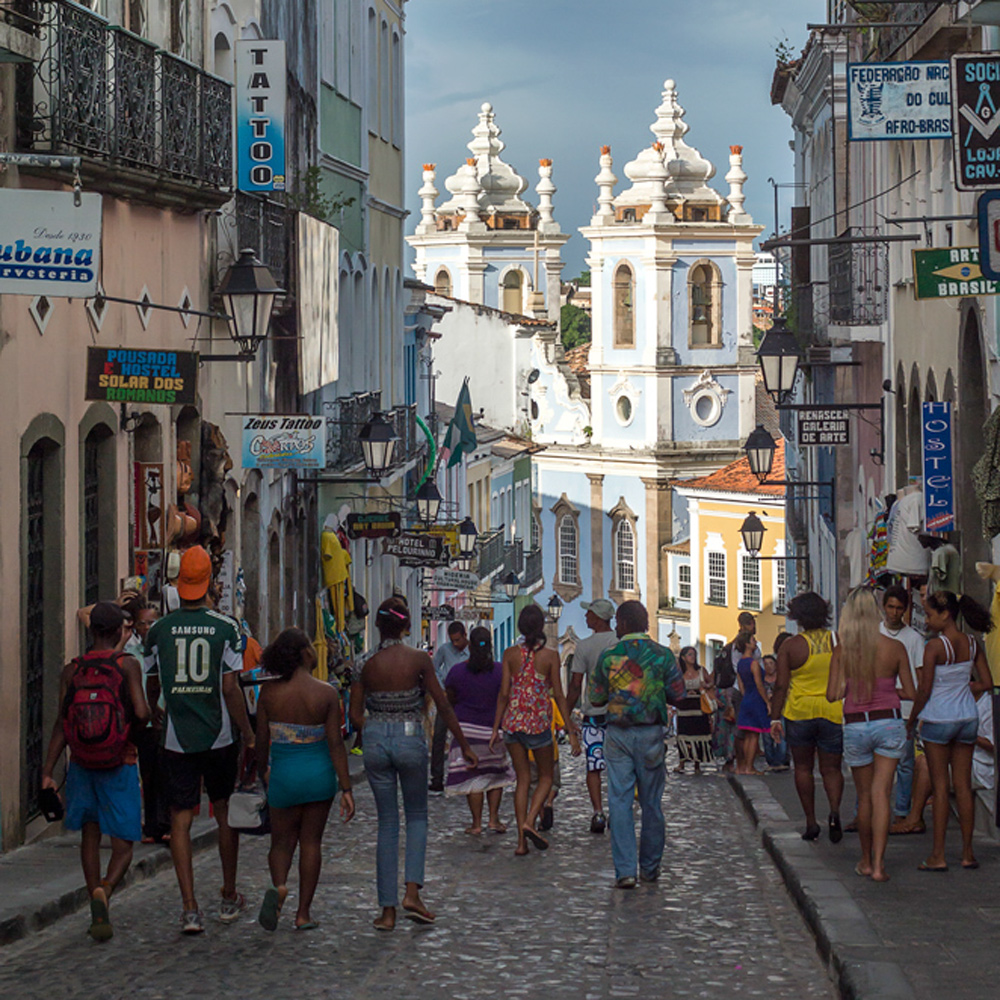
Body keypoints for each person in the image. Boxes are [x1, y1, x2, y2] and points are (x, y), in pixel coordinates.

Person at [143, 545, 256, 934]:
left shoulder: (158, 629)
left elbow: (151, 679)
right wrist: (248, 731)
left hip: (176, 737)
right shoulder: (228, 629)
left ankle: (189, 907)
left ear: (179, 583)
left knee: (180, 818)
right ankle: (227, 895)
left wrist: (156, 708)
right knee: (224, 813)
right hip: (219, 734)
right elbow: (230, 688)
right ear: (211, 582)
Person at [349, 597, 477, 930]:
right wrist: (463, 745)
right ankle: (412, 892)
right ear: (407, 626)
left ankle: (387, 912)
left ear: (376, 626)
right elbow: (444, 705)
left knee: (387, 824)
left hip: (375, 740)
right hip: (410, 740)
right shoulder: (419, 659)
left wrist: (378, 726)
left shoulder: (363, 663)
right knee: (417, 816)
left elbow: (353, 715)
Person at [41, 602, 150, 941]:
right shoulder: (127, 665)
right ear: (120, 632)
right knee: (124, 844)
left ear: (91, 631)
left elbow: (61, 723)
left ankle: (93, 900)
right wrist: (130, 734)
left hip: (82, 764)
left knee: (90, 834)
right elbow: (143, 712)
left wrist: (47, 771)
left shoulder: (72, 670)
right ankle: (106, 889)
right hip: (120, 762)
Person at [254, 628, 354, 931]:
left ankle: (280, 886)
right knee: (311, 843)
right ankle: (303, 914)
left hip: (283, 774)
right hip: (318, 775)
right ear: (304, 653)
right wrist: (346, 788)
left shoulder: (269, 693)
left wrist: (263, 774)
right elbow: (336, 744)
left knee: (281, 844)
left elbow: (261, 742)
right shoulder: (326, 693)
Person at [590, 600, 684, 888]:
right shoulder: (663, 655)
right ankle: (650, 867)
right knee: (651, 803)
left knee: (619, 802)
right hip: (651, 734)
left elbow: (596, 698)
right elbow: (678, 695)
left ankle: (626, 871)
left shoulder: (609, 657)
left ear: (625, 623)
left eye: (618, 622)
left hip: (618, 735)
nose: (616, 627)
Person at [826, 588, 916, 882]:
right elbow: (911, 692)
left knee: (864, 796)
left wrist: (851, 688)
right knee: (882, 794)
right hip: (888, 723)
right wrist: (889, 691)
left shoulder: (843, 650)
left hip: (856, 723)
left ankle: (865, 860)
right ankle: (879, 865)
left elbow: (832, 695)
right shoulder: (894, 648)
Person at [909, 590, 994, 872]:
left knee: (941, 786)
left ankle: (938, 854)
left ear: (945, 615)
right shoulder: (971, 644)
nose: (927, 620)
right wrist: (965, 688)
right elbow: (986, 683)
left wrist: (912, 719)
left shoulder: (935, 647)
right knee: (963, 786)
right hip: (967, 717)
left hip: (938, 719)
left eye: (930, 615)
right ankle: (968, 853)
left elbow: (925, 689)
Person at [490, 604, 580, 856]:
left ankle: (521, 842)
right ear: (541, 626)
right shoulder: (551, 656)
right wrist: (571, 730)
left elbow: (504, 694)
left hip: (513, 723)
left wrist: (495, 728)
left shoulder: (509, 654)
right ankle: (530, 820)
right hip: (538, 724)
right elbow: (559, 695)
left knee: (522, 781)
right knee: (546, 777)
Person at [769, 591, 844, 842]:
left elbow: (781, 686)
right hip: (833, 710)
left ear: (798, 616)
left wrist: (775, 718)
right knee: (832, 769)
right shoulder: (837, 641)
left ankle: (811, 821)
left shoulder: (791, 646)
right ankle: (834, 812)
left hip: (799, 712)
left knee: (803, 768)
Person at [443, 626, 513, 834]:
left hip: (466, 732)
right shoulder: (500, 671)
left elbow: (450, 698)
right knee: (495, 776)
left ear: (470, 646)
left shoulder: (457, 672)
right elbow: (506, 697)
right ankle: (493, 819)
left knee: (473, 777)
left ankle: (476, 824)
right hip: (493, 730)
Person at [566, 598, 618, 832]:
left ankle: (598, 812)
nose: (585, 617)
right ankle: (618, 810)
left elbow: (576, 685)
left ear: (597, 617)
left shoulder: (585, 647)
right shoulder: (620, 642)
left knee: (594, 766)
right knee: (619, 766)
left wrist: (564, 713)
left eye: (588, 613)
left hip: (594, 716)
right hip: (619, 716)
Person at [122, 597, 169, 844]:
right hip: (142, 722)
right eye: (142, 623)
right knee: (148, 775)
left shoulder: (167, 649)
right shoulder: (130, 652)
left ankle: (167, 824)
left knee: (166, 773)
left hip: (163, 718)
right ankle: (152, 826)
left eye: (152, 622)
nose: (147, 627)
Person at [880, 585, 925, 825]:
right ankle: (868, 812)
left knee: (905, 764)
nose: (894, 613)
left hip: (905, 709)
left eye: (899, 608)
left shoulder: (914, 639)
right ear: (884, 607)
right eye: (891, 607)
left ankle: (902, 811)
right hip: (878, 708)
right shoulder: (874, 633)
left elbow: (920, 675)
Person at [712, 613, 759, 769]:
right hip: (741, 690)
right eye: (752, 624)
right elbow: (739, 670)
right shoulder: (740, 646)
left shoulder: (738, 646)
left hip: (737, 690)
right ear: (747, 624)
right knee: (742, 729)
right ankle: (740, 762)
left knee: (740, 728)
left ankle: (739, 762)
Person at [429, 621, 469, 793]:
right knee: (439, 735)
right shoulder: (445, 650)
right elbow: (434, 668)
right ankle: (436, 779)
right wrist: (441, 687)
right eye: (452, 640)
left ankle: (465, 775)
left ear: (465, 636)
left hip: (466, 699)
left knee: (464, 737)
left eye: (458, 640)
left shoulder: (473, 651)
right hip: (447, 699)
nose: (455, 644)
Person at [673, 646, 713, 774]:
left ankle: (697, 764)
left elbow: (710, 684)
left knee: (699, 735)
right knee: (683, 735)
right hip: (684, 708)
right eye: (690, 654)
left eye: (694, 654)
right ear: (683, 657)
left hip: (698, 707)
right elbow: (673, 687)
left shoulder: (701, 670)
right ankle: (682, 763)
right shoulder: (678, 672)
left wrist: (704, 687)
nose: (693, 657)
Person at [735, 635, 771, 775]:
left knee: (748, 734)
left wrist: (746, 696)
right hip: (756, 698)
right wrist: (767, 701)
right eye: (753, 640)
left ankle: (744, 766)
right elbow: (759, 684)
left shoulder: (740, 663)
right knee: (754, 735)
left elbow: (741, 684)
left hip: (747, 698)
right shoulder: (753, 663)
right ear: (747, 644)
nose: (755, 642)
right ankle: (750, 766)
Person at [761, 651, 790, 770]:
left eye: (771, 663)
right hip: (765, 711)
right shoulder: (761, 680)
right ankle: (771, 761)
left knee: (782, 736)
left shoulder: (781, 678)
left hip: (780, 710)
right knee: (767, 738)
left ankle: (780, 761)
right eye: (766, 664)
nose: (769, 666)